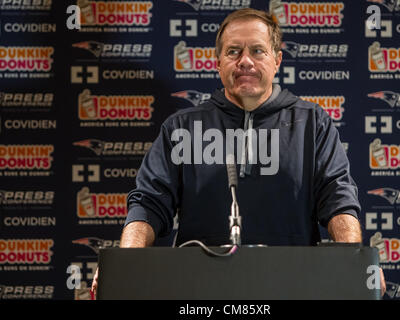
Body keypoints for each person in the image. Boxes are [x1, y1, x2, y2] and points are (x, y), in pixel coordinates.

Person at [91, 8, 385, 296]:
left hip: (292, 285)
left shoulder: (312, 123)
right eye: (233, 52)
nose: (246, 61)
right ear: (217, 62)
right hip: (199, 289)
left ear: (277, 60)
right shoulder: (182, 128)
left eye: (258, 51)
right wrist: (125, 263)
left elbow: (338, 200)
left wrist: (354, 262)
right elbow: (148, 204)